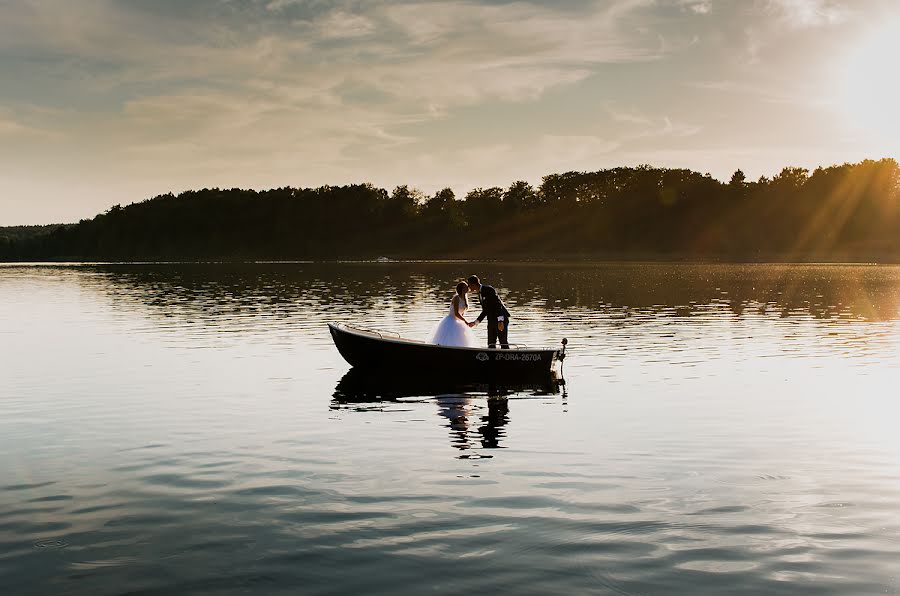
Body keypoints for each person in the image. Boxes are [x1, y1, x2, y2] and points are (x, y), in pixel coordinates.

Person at [426, 281, 479, 347]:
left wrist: (463, 323)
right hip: (450, 320)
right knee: (448, 339)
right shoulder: (456, 298)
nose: (467, 287)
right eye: (465, 286)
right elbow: (456, 313)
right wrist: (465, 321)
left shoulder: (464, 298)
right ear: (461, 289)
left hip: (458, 321)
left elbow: (461, 314)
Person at [467, 275, 511, 348]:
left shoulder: (488, 289)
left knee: (503, 342)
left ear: (473, 284)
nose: (468, 287)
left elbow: (498, 304)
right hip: (491, 320)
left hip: (500, 319)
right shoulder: (480, 294)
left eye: (469, 285)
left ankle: (507, 357)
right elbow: (485, 311)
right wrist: (476, 322)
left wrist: (500, 321)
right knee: (491, 343)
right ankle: (491, 357)